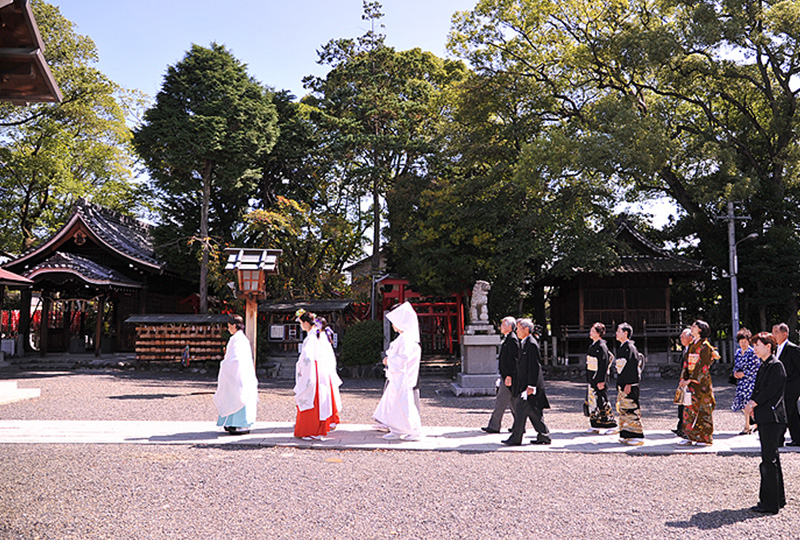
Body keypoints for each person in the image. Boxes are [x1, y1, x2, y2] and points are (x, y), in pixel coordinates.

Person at [745, 332, 787, 515]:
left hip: (773, 418)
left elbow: (771, 391)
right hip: (765, 417)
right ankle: (778, 499)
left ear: (768, 346)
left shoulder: (776, 366)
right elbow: (758, 389)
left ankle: (769, 503)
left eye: (757, 345)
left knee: (768, 460)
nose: (755, 348)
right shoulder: (765, 365)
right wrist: (753, 404)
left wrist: (753, 403)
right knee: (773, 458)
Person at [373, 302, 423, 441]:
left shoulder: (406, 338)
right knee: (395, 403)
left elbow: (403, 359)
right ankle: (396, 429)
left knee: (404, 403)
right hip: (399, 377)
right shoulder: (405, 337)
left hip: (403, 377)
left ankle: (415, 431)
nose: (393, 325)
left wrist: (388, 361)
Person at [502, 319, 551, 446]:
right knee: (533, 412)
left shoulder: (531, 344)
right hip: (525, 384)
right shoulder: (525, 343)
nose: (517, 331)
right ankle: (544, 435)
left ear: (526, 330)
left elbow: (534, 367)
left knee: (521, 409)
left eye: (519, 328)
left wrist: (531, 385)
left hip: (531, 385)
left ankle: (516, 438)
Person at [293, 310, 339, 440]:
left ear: (307, 323)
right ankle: (316, 429)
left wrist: (300, 366)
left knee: (311, 400)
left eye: (302, 323)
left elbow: (307, 359)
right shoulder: (317, 335)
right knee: (318, 401)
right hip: (320, 372)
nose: (301, 326)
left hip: (312, 372)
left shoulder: (312, 337)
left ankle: (310, 430)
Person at [213, 314, 258, 435]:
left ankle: (241, 424)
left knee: (238, 396)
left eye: (229, 326)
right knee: (234, 395)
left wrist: (226, 364)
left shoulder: (238, 340)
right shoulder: (240, 339)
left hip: (239, 373)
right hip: (241, 372)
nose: (228, 329)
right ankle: (231, 422)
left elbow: (236, 359)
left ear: (234, 325)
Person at [677, 320, 716, 446]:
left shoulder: (705, 346)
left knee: (703, 410)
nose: (692, 327)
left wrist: (691, 379)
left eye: (694, 326)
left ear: (700, 330)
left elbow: (702, 366)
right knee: (689, 409)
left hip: (701, 383)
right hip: (690, 382)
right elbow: (686, 364)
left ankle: (704, 437)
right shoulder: (692, 345)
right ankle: (689, 435)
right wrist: (683, 378)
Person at [482, 316, 519, 434]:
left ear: (509, 326)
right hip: (506, 375)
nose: (501, 327)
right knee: (513, 402)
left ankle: (494, 425)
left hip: (508, 376)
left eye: (503, 325)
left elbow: (514, 360)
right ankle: (519, 425)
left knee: (501, 401)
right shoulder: (508, 338)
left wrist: (509, 375)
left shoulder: (512, 339)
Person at [614, 322, 644, 445]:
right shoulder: (622, 347)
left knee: (631, 409)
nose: (616, 333)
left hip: (629, 384)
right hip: (623, 382)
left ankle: (636, 435)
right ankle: (626, 433)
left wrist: (630, 383)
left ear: (625, 333)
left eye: (618, 331)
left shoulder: (630, 348)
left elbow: (632, 365)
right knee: (624, 409)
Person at [585, 322, 616, 433]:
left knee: (602, 400)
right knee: (593, 401)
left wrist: (601, 380)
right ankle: (596, 424)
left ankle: (611, 424)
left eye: (593, 331)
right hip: (592, 376)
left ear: (598, 333)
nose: (590, 333)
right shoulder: (594, 345)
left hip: (598, 377)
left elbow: (603, 365)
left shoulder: (602, 346)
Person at [772, 323, 800, 446]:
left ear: (784, 334)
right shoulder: (776, 348)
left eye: (776, 332)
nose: (773, 335)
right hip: (781, 386)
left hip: (792, 386)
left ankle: (797, 438)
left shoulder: (792, 348)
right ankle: (780, 439)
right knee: (782, 412)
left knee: (790, 411)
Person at [731, 327, 759, 434]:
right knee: (743, 404)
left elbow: (755, 368)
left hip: (750, 381)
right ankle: (753, 424)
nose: (743, 344)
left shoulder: (752, 352)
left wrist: (744, 374)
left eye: (745, 341)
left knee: (748, 404)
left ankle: (748, 426)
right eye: (741, 341)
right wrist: (735, 373)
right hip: (741, 382)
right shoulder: (738, 352)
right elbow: (736, 365)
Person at [672, 328, 693, 438]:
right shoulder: (685, 350)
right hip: (683, 380)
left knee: (687, 405)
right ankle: (680, 427)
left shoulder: (692, 350)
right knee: (681, 405)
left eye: (682, 337)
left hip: (689, 382)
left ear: (690, 338)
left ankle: (684, 429)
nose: (680, 339)